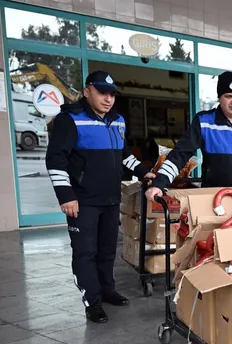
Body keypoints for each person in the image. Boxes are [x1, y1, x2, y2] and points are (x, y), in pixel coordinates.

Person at [45, 70, 156, 323]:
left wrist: (143, 172)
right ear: (87, 91)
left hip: (110, 199)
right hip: (82, 201)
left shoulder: (117, 120)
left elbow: (123, 154)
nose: (108, 99)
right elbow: (55, 159)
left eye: (112, 94)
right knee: (85, 252)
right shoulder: (70, 119)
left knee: (107, 251)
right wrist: (66, 195)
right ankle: (92, 301)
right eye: (102, 93)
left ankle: (107, 290)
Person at [146, 71, 232, 201]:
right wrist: (159, 183)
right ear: (219, 98)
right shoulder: (204, 122)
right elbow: (180, 154)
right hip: (212, 199)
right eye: (228, 96)